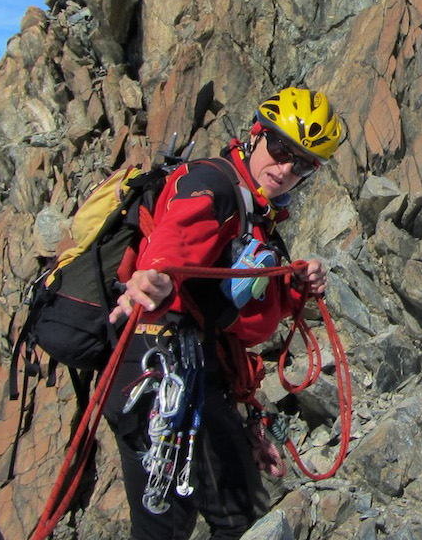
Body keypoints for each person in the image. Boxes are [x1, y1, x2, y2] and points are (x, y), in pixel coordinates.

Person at [104, 86, 346, 540]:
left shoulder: (257, 214)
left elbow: (243, 313)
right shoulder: (212, 184)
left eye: (304, 163)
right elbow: (176, 237)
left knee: (208, 517)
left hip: (187, 373)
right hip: (158, 369)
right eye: (279, 147)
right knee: (201, 521)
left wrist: (294, 287)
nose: (286, 168)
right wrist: (155, 275)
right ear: (256, 134)